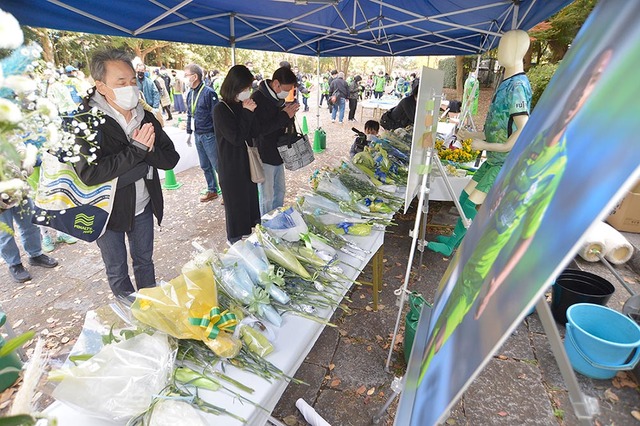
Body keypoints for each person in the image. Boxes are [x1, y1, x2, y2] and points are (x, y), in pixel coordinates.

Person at [74, 49, 180, 299]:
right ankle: (130, 318)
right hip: (106, 212)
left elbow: (170, 159)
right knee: (117, 270)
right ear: (101, 86)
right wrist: (137, 151)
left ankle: (151, 308)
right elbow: (89, 174)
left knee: (145, 261)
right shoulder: (85, 121)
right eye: (120, 82)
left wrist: (148, 152)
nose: (129, 87)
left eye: (133, 81)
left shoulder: (145, 117)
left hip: (143, 205)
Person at [427, 30, 532, 257]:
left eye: (506, 46)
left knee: (471, 204)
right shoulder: (506, 83)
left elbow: (524, 131)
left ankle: (460, 246)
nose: (500, 50)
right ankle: (455, 240)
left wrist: (488, 147)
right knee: (464, 197)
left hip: (504, 162)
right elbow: (500, 128)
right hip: (493, 158)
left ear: (519, 50)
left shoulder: (518, 86)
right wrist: (475, 136)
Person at [213, 65, 260, 243]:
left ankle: (250, 243)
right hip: (231, 169)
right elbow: (236, 138)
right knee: (236, 213)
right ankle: (236, 246)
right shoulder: (221, 109)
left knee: (250, 211)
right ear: (234, 87)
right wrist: (247, 114)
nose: (247, 92)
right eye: (244, 88)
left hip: (247, 166)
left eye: (249, 88)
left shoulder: (242, 105)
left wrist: (252, 113)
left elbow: (254, 132)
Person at [251, 66, 299, 215]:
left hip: (280, 152)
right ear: (276, 84)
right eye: (286, 89)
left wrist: (290, 114)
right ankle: (266, 223)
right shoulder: (258, 98)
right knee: (267, 195)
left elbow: (280, 122)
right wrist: (284, 116)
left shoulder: (278, 98)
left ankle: (277, 217)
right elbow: (259, 130)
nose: (287, 92)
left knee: (280, 191)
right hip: (265, 153)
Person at [185, 63, 222, 203]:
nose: (185, 78)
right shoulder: (190, 93)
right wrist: (189, 132)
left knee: (217, 164)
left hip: (209, 135)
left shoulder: (209, 92)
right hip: (197, 134)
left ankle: (227, 191)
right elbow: (190, 113)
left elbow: (216, 115)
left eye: (187, 75)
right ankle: (212, 190)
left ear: (195, 77)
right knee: (204, 165)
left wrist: (218, 134)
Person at [1, 199, 58, 283]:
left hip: (18, 191)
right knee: (5, 234)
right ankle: (14, 264)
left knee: (30, 224)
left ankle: (35, 255)